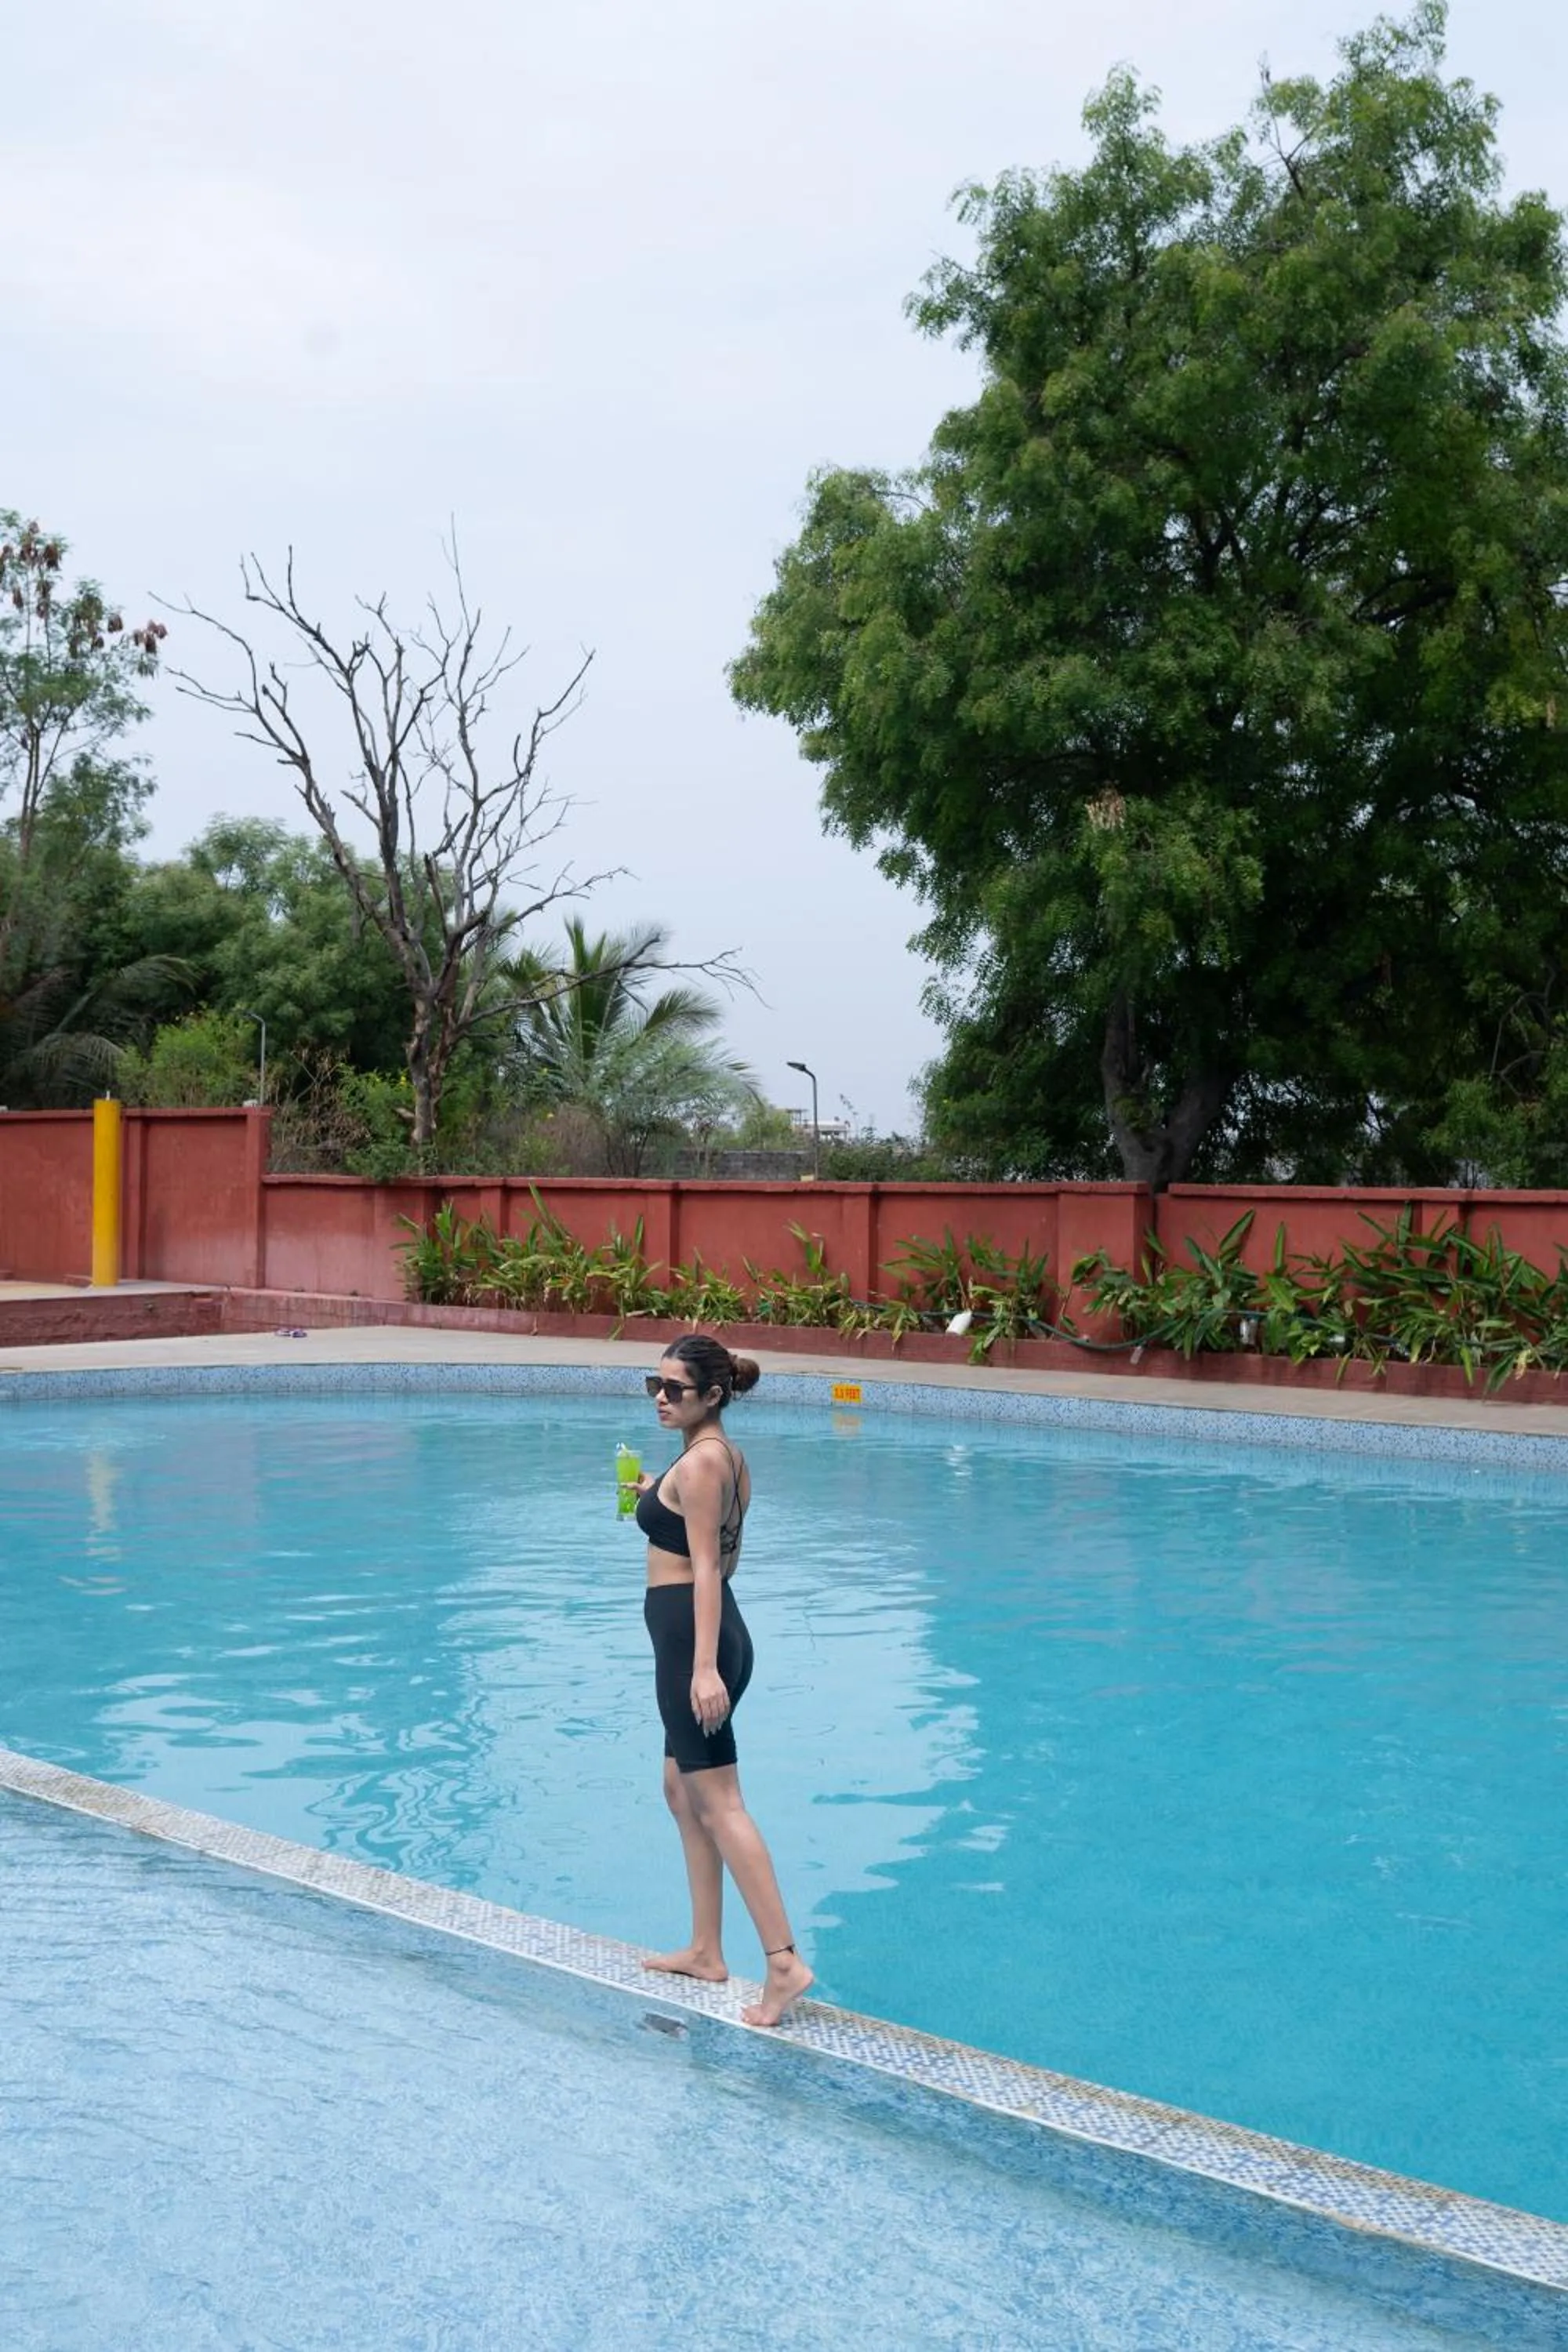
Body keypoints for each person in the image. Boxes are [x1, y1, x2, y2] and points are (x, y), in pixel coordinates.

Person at [634, 1335, 813, 2029]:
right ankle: (706, 1949)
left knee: (722, 1803)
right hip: (701, 1635)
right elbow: (699, 1534)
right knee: (681, 1791)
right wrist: (654, 1498)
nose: (660, 1397)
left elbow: (710, 1567)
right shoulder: (718, 1457)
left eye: (675, 1388)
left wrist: (704, 1668)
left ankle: (783, 1962)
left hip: (695, 1641)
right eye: (654, 1384)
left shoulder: (704, 1462)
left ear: (712, 1395)